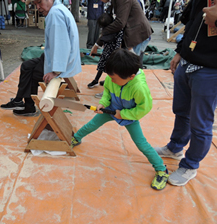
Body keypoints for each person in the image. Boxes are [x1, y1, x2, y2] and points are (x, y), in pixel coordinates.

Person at [71, 49, 169, 190]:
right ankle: (76, 138)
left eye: (114, 79)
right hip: (111, 108)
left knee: (142, 144)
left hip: (129, 115)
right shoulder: (112, 78)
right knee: (91, 124)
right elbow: (107, 91)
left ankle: (161, 169)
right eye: (110, 77)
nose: (111, 80)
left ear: (131, 76)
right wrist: (103, 103)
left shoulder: (139, 87)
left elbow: (144, 108)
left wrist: (123, 114)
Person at [154, 0, 217, 186]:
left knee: (200, 122)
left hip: (210, 69)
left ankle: (190, 164)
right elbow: (190, 22)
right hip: (187, 61)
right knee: (182, 111)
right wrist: (180, 52)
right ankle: (175, 147)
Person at [0, 0, 82, 116]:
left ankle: (29, 107)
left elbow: (61, 44)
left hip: (62, 63)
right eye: (35, 5)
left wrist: (55, 71)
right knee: (26, 65)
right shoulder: (57, 9)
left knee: (32, 74)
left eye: (39, 2)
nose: (38, 7)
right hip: (60, 58)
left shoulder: (55, 14)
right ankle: (19, 100)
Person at [90, 0, 153, 97]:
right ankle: (117, 90)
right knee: (126, 67)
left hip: (137, 36)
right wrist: (97, 44)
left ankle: (119, 93)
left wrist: (100, 39)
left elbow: (119, 23)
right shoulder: (115, 2)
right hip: (132, 36)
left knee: (128, 68)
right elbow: (114, 24)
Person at [87, 12, 123, 88]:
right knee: (101, 66)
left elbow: (118, 44)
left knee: (111, 69)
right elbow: (102, 39)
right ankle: (96, 80)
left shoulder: (118, 31)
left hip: (113, 54)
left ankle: (109, 81)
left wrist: (115, 55)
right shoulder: (106, 30)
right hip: (106, 51)